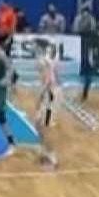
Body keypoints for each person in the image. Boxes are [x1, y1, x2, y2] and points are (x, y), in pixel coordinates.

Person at [31, 38, 59, 168]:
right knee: (38, 123)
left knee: (45, 126)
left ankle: (52, 158)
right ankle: (45, 153)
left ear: (39, 47)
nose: (32, 48)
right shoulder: (45, 60)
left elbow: (48, 80)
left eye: (34, 46)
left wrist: (40, 96)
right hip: (49, 92)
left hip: (50, 93)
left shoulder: (42, 61)